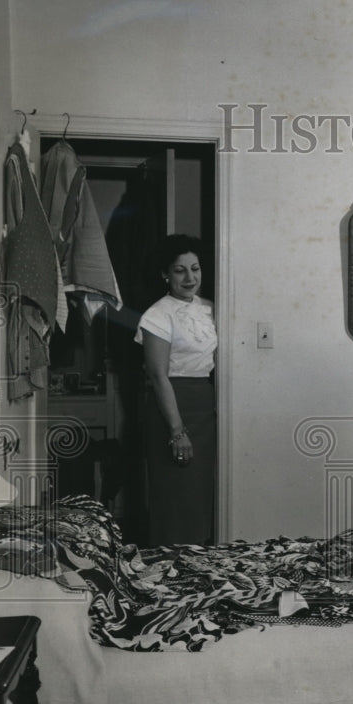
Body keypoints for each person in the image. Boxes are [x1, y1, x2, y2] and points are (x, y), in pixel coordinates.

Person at [135, 234, 218, 546]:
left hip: (205, 403)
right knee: (174, 493)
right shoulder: (157, 314)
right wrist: (177, 431)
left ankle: (200, 571)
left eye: (195, 269)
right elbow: (158, 376)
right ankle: (169, 570)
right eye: (180, 270)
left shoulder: (209, 308)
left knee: (201, 492)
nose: (190, 277)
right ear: (165, 275)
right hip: (171, 407)